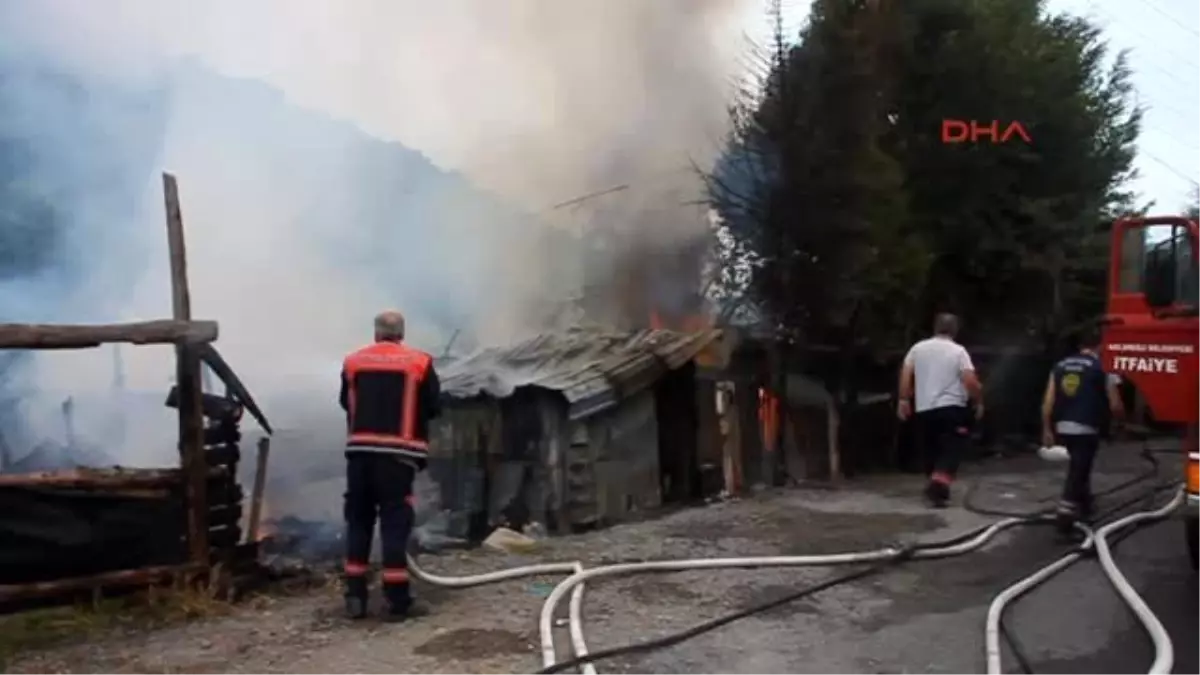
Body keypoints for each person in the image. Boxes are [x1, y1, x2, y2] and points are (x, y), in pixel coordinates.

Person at [338, 310, 442, 620]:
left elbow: (346, 402)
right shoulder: (419, 362)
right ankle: (397, 600)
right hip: (397, 458)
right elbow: (434, 407)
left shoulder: (353, 362)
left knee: (358, 520)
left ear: (375, 333)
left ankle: (355, 596)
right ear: (401, 333)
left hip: (359, 456)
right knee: (395, 523)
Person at [1041, 326, 1125, 533]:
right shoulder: (1104, 366)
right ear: (1101, 346)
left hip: (1063, 426)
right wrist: (1119, 422)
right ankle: (1066, 510)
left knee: (1080, 465)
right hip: (1087, 425)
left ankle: (1086, 503)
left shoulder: (1060, 366)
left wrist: (1047, 429)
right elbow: (1115, 404)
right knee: (1079, 468)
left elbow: (1048, 401)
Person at [897, 313, 984, 507]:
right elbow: (969, 380)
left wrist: (903, 400)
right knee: (953, 447)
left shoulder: (917, 349)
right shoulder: (958, 351)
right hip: (952, 408)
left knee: (931, 448)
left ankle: (936, 490)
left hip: (924, 408)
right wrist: (978, 400)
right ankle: (938, 485)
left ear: (935, 328)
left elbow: (905, 375)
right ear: (955, 330)